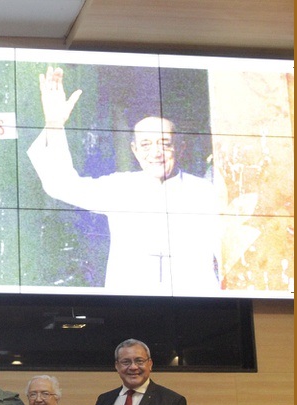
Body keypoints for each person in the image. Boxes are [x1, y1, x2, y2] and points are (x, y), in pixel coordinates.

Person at [27, 65, 221, 295]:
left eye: (164, 143)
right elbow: (60, 184)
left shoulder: (206, 193)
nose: (155, 153)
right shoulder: (120, 188)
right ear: (135, 150)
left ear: (180, 148)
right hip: (131, 308)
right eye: (146, 145)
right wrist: (54, 124)